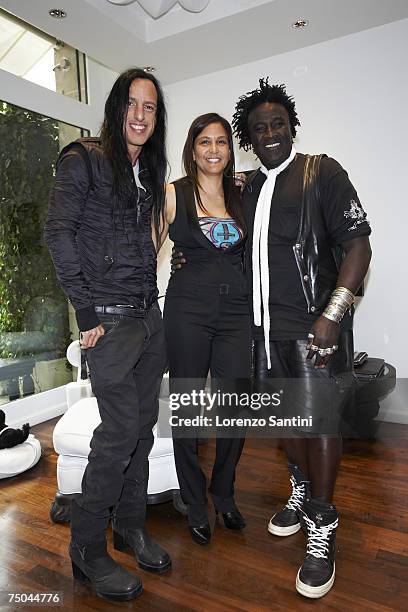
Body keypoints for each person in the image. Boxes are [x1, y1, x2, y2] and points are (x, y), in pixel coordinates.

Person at [173, 80, 371, 598]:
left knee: (320, 425)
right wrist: (184, 256)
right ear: (248, 138)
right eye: (258, 129)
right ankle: (303, 494)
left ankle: (323, 528)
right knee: (288, 425)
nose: (270, 134)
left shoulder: (322, 171)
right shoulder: (250, 188)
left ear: (291, 126)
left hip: (312, 330)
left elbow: (358, 247)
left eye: (277, 124)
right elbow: (219, 236)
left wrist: (332, 315)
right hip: (259, 332)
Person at [45, 68, 171, 602]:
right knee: (118, 434)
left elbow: (142, 245)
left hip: (147, 318)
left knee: (143, 427)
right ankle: (88, 549)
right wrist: (86, 311)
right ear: (117, 108)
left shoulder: (148, 172)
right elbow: (59, 235)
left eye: (150, 107)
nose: (141, 116)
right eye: (132, 105)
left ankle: (131, 523)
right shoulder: (85, 159)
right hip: (110, 324)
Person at [161, 113, 252, 545]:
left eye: (221, 142)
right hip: (187, 313)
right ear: (192, 148)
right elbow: (145, 252)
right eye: (204, 142)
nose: (213, 150)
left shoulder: (242, 194)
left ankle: (224, 492)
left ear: (230, 149)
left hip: (236, 314)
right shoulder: (173, 194)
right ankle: (195, 503)